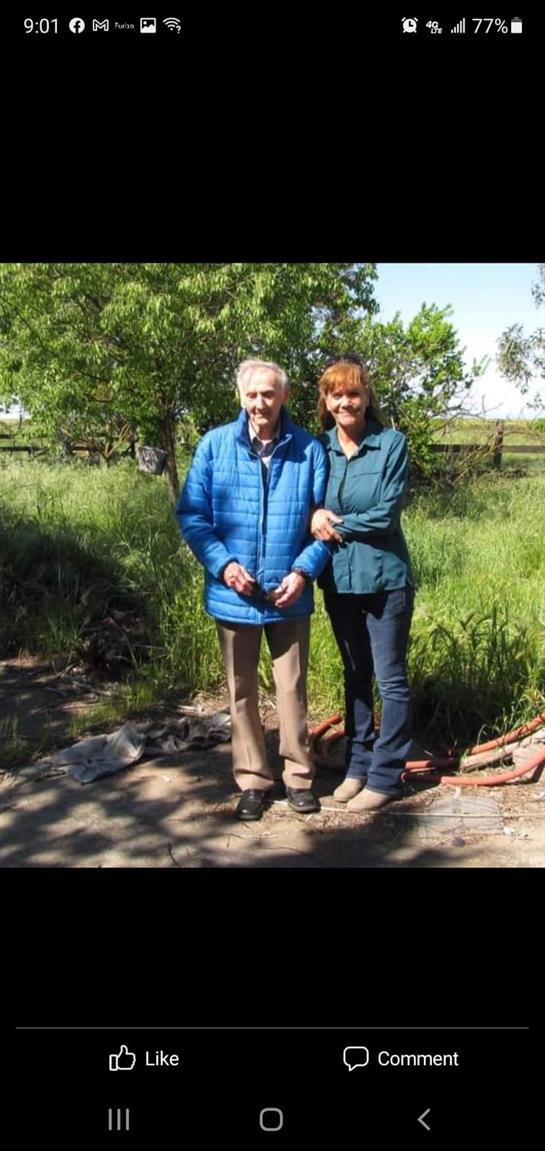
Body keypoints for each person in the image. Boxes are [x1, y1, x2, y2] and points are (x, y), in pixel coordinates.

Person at [176, 358, 332, 821]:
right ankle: (252, 780)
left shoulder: (309, 450)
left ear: (284, 396)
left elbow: (324, 523)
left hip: (290, 594)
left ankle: (299, 777)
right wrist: (223, 566)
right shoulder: (213, 446)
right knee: (240, 690)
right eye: (252, 395)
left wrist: (303, 572)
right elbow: (192, 515)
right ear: (240, 398)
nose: (260, 403)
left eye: (269, 394)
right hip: (233, 594)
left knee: (292, 688)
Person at [310, 354, 414, 811]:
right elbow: (307, 504)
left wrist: (336, 525)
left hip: (385, 580)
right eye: (336, 394)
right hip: (339, 581)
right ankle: (357, 766)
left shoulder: (391, 444)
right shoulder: (319, 449)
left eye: (353, 392)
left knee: (390, 680)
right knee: (355, 676)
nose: (345, 401)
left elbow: (386, 513)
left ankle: (387, 776)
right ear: (326, 400)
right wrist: (314, 514)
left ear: (366, 396)